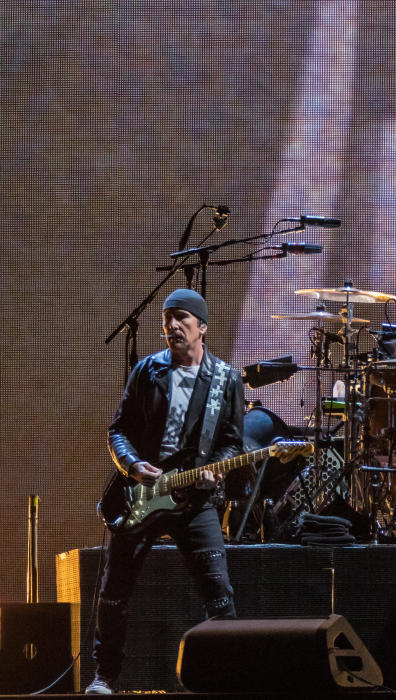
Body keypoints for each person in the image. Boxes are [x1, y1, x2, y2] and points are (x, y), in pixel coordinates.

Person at [87, 289, 245, 695]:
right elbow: (118, 430)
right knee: (114, 591)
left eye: (182, 319)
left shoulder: (226, 379)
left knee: (219, 594)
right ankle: (105, 676)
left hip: (195, 501)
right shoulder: (147, 371)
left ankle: (223, 679)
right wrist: (133, 465)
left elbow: (232, 443)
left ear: (202, 328)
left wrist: (216, 474)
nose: (172, 326)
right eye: (168, 318)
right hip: (141, 497)